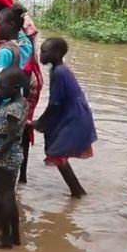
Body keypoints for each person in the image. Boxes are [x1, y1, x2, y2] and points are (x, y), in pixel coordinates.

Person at [0, 0, 42, 184]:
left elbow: (27, 55)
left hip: (21, 78)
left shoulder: (21, 28)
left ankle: (19, 172)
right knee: (13, 127)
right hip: (10, 76)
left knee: (18, 125)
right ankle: (11, 169)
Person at [32, 37, 96, 198]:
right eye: (41, 50)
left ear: (58, 54)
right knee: (57, 151)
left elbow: (55, 103)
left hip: (75, 115)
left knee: (57, 152)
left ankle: (77, 192)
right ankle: (78, 192)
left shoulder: (60, 72)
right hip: (70, 111)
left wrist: (40, 121)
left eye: (45, 51)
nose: (41, 55)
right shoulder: (56, 70)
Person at [0, 68, 27, 249]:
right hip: (10, 154)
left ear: (15, 87)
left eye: (2, 87)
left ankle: (6, 239)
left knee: (5, 196)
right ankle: (14, 236)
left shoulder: (13, 108)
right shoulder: (19, 102)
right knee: (9, 195)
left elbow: (11, 137)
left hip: (6, 156)